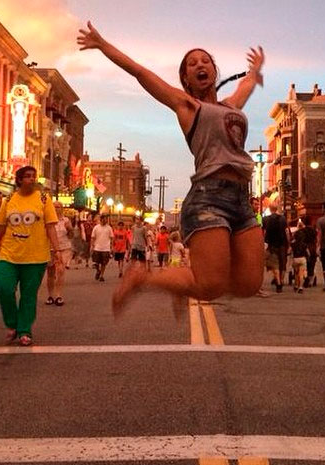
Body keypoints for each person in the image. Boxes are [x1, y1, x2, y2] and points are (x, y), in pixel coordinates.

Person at [77, 23, 265, 313]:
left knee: (249, 284)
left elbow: (246, 86)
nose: (200, 64)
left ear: (214, 72)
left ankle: (181, 282)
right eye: (192, 64)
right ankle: (144, 278)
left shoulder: (232, 107)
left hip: (241, 199)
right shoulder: (187, 106)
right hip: (209, 198)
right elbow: (140, 72)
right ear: (186, 79)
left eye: (205, 61)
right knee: (210, 286)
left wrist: (255, 71)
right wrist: (103, 45)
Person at [0, 166, 62, 346]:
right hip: (9, 255)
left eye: (33, 176)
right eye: (27, 176)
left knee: (28, 295)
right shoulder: (9, 200)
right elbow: (0, 227)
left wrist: (57, 251)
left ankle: (25, 330)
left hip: (36, 257)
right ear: (18, 180)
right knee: (3, 287)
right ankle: (12, 324)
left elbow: (50, 226)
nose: (31, 179)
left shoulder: (43, 199)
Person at [45, 201, 73, 305]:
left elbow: (71, 236)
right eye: (55, 207)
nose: (56, 209)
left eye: (58, 207)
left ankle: (58, 295)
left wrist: (69, 229)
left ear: (62, 209)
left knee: (60, 270)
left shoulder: (66, 220)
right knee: (50, 273)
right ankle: (50, 295)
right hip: (50, 248)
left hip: (64, 248)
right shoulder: (48, 220)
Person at [262, 202, 288, 293]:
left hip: (271, 245)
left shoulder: (265, 219)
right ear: (277, 208)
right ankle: (282, 279)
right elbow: (286, 232)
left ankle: (278, 283)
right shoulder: (283, 219)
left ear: (269, 208)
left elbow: (264, 233)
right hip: (282, 244)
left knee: (274, 264)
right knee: (282, 263)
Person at [90, 214, 114, 281]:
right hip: (97, 247)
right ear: (101, 219)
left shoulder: (109, 228)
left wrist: (112, 247)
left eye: (106, 219)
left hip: (106, 248)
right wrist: (92, 246)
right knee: (96, 262)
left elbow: (112, 238)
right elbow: (93, 237)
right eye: (104, 219)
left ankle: (102, 276)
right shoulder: (96, 227)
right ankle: (98, 270)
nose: (105, 220)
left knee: (104, 263)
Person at [298, 215, 317, 288]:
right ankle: (311, 280)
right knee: (312, 265)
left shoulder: (302, 231)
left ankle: (305, 278)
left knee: (305, 265)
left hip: (305, 249)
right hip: (312, 248)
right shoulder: (314, 230)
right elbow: (315, 239)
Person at [290, 229, 308, 293]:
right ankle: (300, 287)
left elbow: (289, 251)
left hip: (295, 259)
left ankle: (296, 285)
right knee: (301, 274)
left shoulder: (293, 244)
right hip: (302, 259)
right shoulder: (304, 244)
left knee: (296, 273)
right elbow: (308, 253)